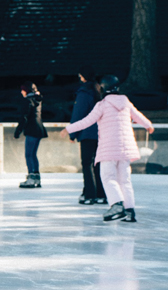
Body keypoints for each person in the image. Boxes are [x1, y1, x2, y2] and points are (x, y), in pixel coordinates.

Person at [60, 75, 154, 223]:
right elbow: (138, 116)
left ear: (103, 88)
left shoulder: (102, 105)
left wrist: (69, 129)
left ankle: (117, 205)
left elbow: (87, 121)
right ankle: (129, 211)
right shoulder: (125, 102)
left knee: (108, 178)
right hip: (125, 150)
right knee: (125, 181)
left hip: (109, 149)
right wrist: (148, 125)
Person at [69, 66, 107, 205]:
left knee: (87, 164)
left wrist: (72, 133)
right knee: (98, 164)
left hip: (88, 134)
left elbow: (78, 113)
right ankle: (101, 194)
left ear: (83, 77)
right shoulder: (100, 91)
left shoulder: (84, 92)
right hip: (102, 133)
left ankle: (90, 194)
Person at [14, 81, 46, 188]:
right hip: (39, 129)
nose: (21, 92)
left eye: (22, 90)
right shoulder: (37, 99)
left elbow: (24, 117)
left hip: (32, 130)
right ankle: (36, 178)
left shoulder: (28, 100)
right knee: (33, 154)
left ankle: (31, 178)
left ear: (26, 90)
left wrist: (18, 131)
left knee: (29, 155)